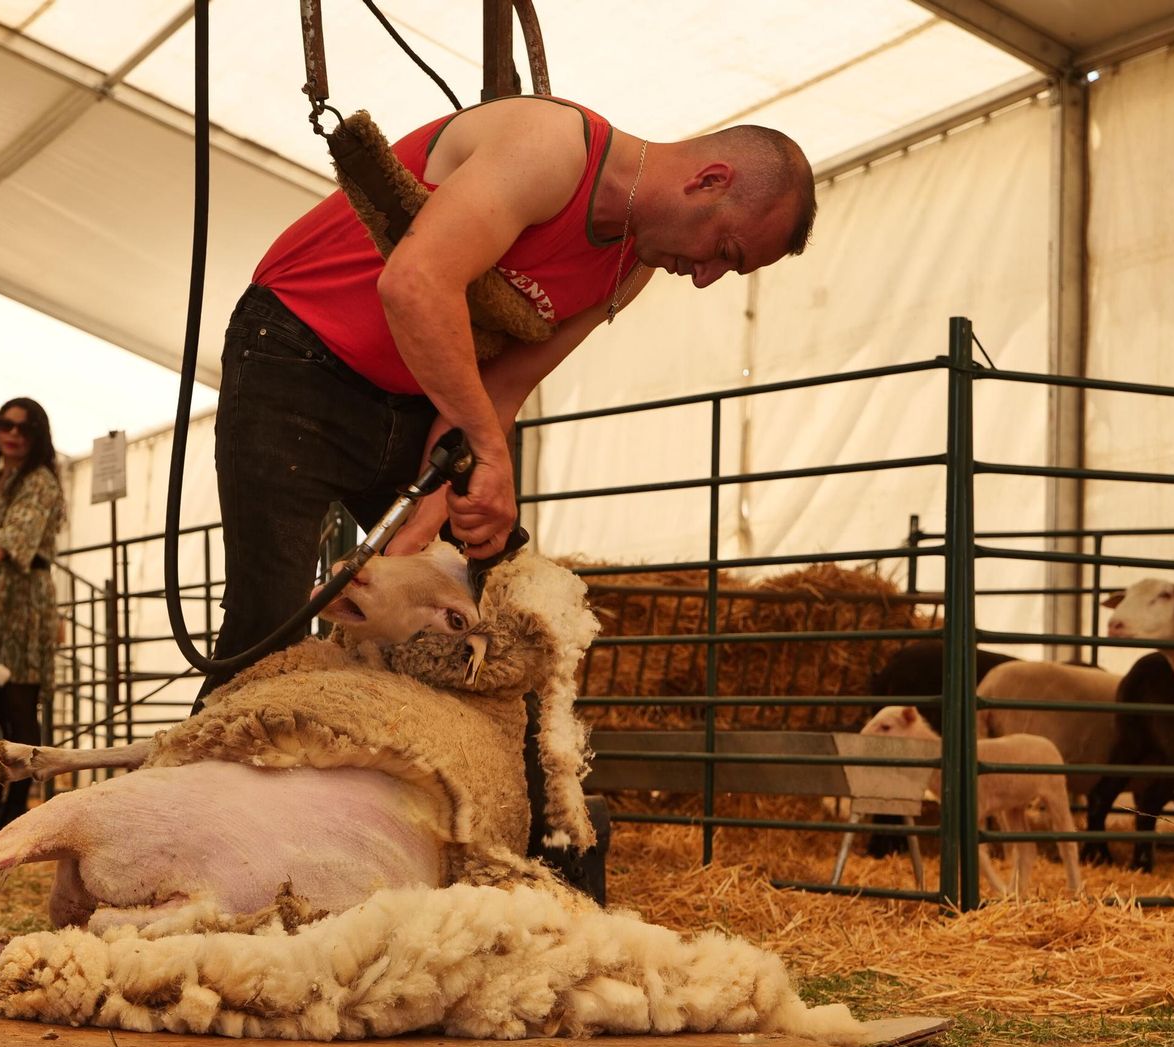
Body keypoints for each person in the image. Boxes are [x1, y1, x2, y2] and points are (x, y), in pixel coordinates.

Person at [203, 98, 815, 900]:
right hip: (300, 351)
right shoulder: (551, 148)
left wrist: (444, 499)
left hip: (420, 394)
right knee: (268, 617)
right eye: (722, 252)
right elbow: (414, 282)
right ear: (710, 179)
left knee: (499, 597)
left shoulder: (627, 265)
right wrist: (485, 452)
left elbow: (501, 387)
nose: (703, 277)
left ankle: (533, 857)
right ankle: (196, 844)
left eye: (725, 272)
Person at [0, 398, 64, 833]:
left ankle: (16, 805)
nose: (14, 434)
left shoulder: (40, 481)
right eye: (6, 425)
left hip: (23, 599)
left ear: (38, 437)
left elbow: (21, 526)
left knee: (20, 701)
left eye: (24, 428)